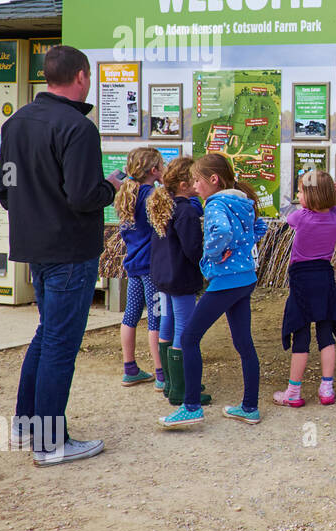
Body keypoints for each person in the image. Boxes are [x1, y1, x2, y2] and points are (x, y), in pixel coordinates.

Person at [0, 45, 121, 465]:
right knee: (60, 345)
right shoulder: (78, 127)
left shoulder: (15, 124)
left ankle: (27, 423)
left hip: (34, 248)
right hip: (69, 250)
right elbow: (84, 196)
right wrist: (112, 186)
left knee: (47, 334)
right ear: (82, 77)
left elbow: (5, 189)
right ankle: (50, 444)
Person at [159, 153, 268, 429]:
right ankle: (249, 407)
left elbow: (220, 231)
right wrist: (242, 247)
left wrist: (211, 256)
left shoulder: (217, 203)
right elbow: (259, 227)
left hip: (226, 281)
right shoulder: (242, 201)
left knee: (190, 338)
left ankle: (191, 406)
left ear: (214, 179)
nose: (195, 186)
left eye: (197, 180)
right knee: (244, 344)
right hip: (245, 279)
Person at [276, 169, 336, 406]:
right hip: (324, 276)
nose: (298, 196)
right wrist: (330, 196)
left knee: (301, 333)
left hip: (301, 278)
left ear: (311, 197)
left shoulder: (302, 217)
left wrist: (319, 197)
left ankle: (293, 392)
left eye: (301, 192)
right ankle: (327, 388)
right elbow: (332, 207)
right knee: (325, 334)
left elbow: (290, 218)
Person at [147, 156, 210, 407]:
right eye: (195, 179)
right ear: (184, 184)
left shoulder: (164, 204)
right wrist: (207, 260)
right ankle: (182, 390)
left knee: (168, 322)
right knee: (185, 327)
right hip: (181, 277)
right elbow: (193, 248)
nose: (198, 183)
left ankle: (171, 383)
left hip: (162, 275)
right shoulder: (185, 211)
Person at [114, 147, 165, 387]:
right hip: (151, 265)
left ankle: (130, 367)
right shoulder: (151, 195)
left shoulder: (127, 192)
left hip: (133, 262)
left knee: (131, 314)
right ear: (154, 170)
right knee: (156, 317)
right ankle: (161, 373)